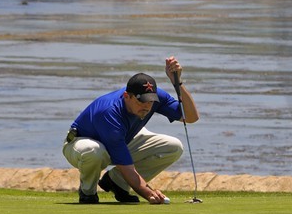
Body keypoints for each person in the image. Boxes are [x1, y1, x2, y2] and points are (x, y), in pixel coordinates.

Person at [64, 57, 198, 205]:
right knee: (94, 151)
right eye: (141, 101)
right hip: (80, 144)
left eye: (150, 101)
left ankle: (117, 182)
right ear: (127, 96)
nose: (147, 106)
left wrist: (177, 82)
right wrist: (149, 193)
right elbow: (127, 167)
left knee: (174, 147)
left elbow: (190, 117)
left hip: (122, 139)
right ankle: (88, 192)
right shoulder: (109, 113)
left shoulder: (155, 98)